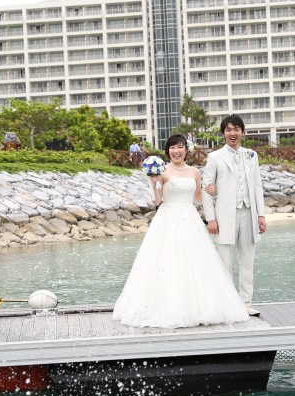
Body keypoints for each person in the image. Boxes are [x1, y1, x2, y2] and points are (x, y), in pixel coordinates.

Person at [112, 134, 250, 328]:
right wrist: (153, 182)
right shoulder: (162, 170)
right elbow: (157, 201)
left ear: (187, 150)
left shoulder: (194, 172)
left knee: (196, 262)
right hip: (168, 220)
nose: (176, 151)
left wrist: (213, 191)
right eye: (172, 148)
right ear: (168, 150)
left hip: (190, 218)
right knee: (167, 261)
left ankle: (201, 307)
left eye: (179, 147)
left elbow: (197, 198)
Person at [201, 115, 266, 317]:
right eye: (229, 130)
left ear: (242, 132)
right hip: (224, 216)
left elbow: (257, 186)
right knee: (224, 262)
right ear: (223, 133)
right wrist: (211, 218)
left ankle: (246, 302)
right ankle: (227, 304)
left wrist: (261, 215)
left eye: (236, 129)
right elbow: (206, 189)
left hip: (249, 212)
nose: (233, 133)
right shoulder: (215, 157)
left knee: (248, 261)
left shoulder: (251, 155)